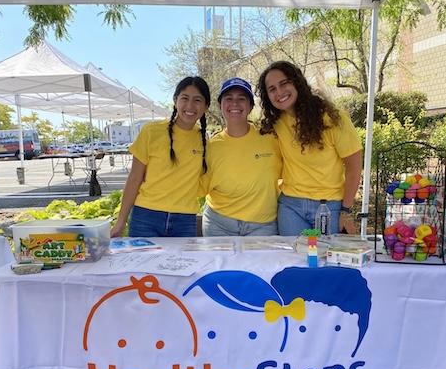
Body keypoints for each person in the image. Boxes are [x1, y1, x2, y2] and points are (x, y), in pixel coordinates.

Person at [257, 61, 363, 236]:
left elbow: (354, 167)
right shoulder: (275, 124)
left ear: (297, 82)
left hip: (329, 206)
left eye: (284, 83)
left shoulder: (332, 119)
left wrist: (346, 210)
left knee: (324, 260)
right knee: (294, 259)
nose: (279, 92)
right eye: (272, 89)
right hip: (291, 207)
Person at [110, 76, 210, 238]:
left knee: (182, 264)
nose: (190, 105)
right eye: (185, 98)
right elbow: (134, 178)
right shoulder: (151, 132)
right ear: (175, 100)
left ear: (205, 106)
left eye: (197, 100)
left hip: (184, 220)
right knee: (143, 263)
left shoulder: (205, 142)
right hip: (146, 217)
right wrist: (121, 221)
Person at [201, 77, 281, 237]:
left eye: (241, 99)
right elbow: (199, 185)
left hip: (262, 226)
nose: (235, 104)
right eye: (228, 98)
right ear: (220, 105)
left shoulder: (272, 137)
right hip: (218, 224)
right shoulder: (209, 146)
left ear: (251, 106)